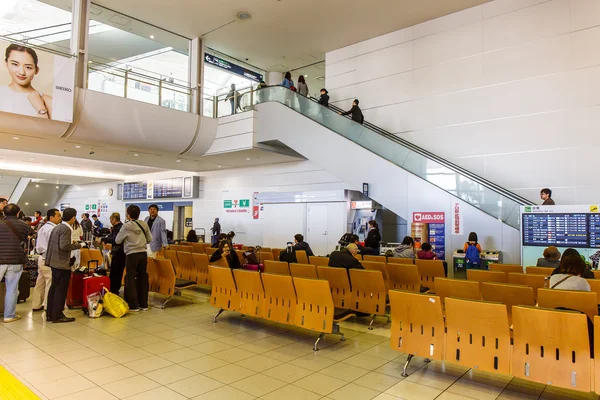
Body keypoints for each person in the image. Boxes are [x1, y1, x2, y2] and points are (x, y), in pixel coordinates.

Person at [45, 207, 83, 323]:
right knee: (61, 290)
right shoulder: (67, 229)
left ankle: (50, 314)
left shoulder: (57, 227)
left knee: (54, 288)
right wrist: (78, 245)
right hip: (61, 263)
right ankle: (57, 314)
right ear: (73, 218)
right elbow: (64, 246)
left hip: (54, 262)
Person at [0, 44, 52, 119]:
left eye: (28, 67)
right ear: (6, 64)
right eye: (15, 64)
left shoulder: (48, 101)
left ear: (36, 70)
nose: (22, 72)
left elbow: (51, 130)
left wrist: (41, 109)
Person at [116, 205, 152, 311]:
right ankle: (144, 304)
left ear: (128, 214)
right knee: (143, 278)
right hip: (143, 253)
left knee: (130, 278)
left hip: (131, 254)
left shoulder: (126, 226)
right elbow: (150, 239)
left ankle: (133, 304)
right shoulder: (144, 224)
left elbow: (118, 240)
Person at [0, 203, 31, 322]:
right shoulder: (23, 225)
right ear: (18, 213)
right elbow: (30, 236)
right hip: (15, 260)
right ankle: (9, 315)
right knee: (12, 289)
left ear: (4, 213)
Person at [32, 208, 61, 312]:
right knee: (50, 281)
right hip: (48, 258)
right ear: (51, 217)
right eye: (58, 216)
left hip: (41, 257)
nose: (60, 218)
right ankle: (47, 304)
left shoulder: (43, 227)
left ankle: (36, 304)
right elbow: (54, 245)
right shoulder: (52, 229)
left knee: (40, 282)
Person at [101, 213, 125, 295]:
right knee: (114, 272)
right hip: (116, 252)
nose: (110, 221)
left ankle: (114, 289)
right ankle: (112, 288)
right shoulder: (115, 228)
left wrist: (104, 239)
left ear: (115, 219)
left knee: (117, 272)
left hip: (120, 253)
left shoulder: (120, 228)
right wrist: (105, 239)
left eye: (111, 219)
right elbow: (110, 237)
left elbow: (115, 240)